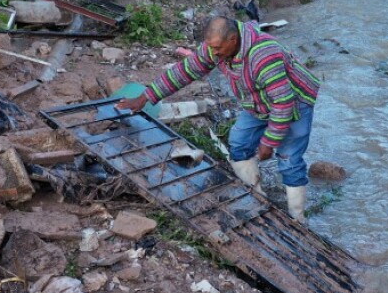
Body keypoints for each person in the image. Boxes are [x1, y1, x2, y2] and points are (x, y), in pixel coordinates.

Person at [115, 16, 320, 223]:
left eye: (217, 49)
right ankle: (259, 198)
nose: (213, 54)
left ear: (232, 40)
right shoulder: (216, 47)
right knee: (239, 143)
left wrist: (269, 142)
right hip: (257, 100)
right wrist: (145, 98)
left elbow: (283, 104)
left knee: (288, 159)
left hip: (294, 101)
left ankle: (298, 219)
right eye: (211, 48)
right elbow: (184, 72)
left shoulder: (263, 55)